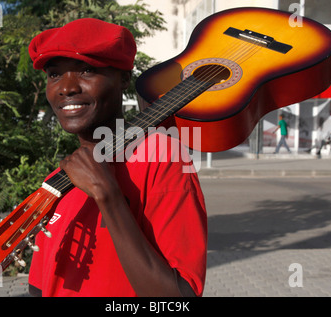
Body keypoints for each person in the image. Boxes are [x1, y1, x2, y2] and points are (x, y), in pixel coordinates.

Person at [27, 18, 207, 297]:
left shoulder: (161, 158)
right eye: (54, 75)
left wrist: (106, 194)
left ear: (124, 79)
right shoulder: (56, 181)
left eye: (87, 70)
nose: (66, 87)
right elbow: (40, 286)